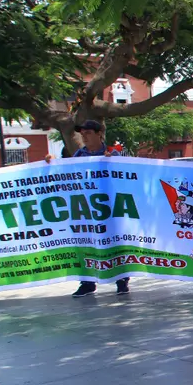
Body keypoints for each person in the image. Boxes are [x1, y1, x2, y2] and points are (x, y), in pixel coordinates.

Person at [54, 120, 131, 297]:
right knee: (86, 243)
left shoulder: (114, 153)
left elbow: (127, 176)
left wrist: (114, 163)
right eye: (82, 133)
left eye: (88, 133)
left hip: (111, 208)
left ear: (99, 134)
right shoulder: (79, 156)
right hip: (87, 209)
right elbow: (66, 176)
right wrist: (50, 163)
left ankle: (121, 280)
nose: (84, 137)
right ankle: (88, 282)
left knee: (116, 242)